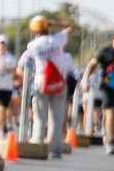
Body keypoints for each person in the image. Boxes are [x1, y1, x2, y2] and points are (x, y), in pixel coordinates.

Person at [17, 15, 73, 154]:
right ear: (48, 27)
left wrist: (30, 75)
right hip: (58, 81)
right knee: (57, 117)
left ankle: (38, 143)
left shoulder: (32, 45)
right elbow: (72, 27)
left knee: (39, 115)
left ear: (34, 31)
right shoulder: (58, 39)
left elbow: (22, 66)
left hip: (41, 80)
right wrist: (54, 21)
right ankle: (55, 149)